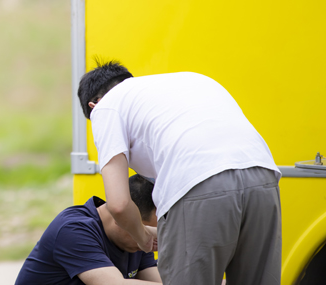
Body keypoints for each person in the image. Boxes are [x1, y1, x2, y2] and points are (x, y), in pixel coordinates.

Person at [78, 60, 281, 285]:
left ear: (93, 105)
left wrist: (142, 237)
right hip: (263, 177)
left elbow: (118, 204)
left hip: (199, 183)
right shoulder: (192, 81)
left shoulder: (106, 107)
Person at [15, 174, 161, 285]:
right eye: (147, 230)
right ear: (122, 219)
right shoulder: (72, 230)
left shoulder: (136, 242)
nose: (150, 238)